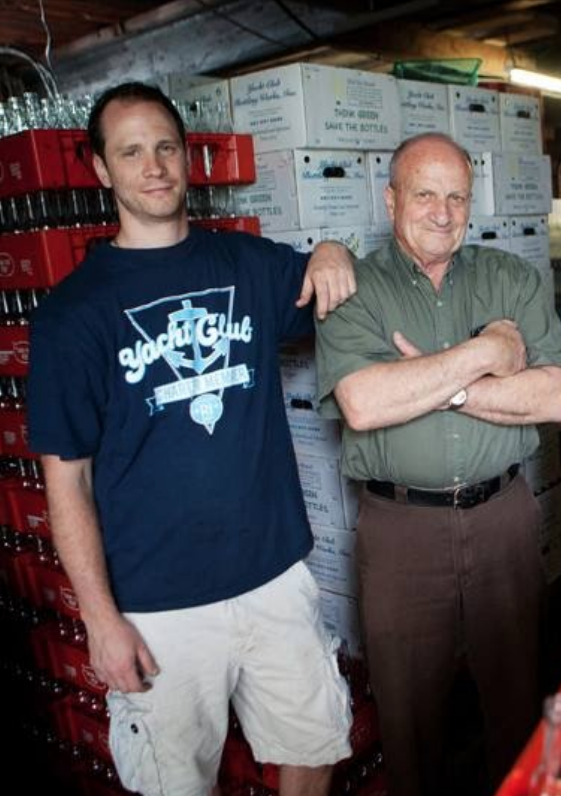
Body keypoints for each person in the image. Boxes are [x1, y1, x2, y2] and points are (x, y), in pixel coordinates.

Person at [26, 82, 357, 796]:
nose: (154, 166)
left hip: (273, 578)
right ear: (100, 170)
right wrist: (101, 620)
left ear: (188, 158)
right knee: (175, 782)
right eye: (132, 152)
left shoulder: (248, 267)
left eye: (166, 147)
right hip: (158, 608)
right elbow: (67, 482)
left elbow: (330, 283)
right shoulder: (72, 315)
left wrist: (331, 247)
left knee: (314, 743)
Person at [314, 132, 561, 796]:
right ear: (391, 198)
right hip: (401, 531)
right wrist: (487, 349)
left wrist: (434, 386)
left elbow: (554, 393)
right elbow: (365, 403)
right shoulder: (354, 288)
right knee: (411, 718)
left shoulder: (508, 276)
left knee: (518, 702)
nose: (442, 211)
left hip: (504, 519)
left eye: (457, 195)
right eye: (425, 193)